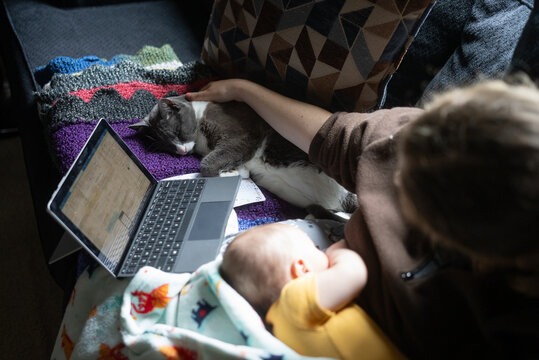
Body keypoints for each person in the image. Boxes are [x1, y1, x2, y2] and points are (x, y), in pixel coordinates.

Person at [187, 76, 539, 359]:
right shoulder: (416, 138)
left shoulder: (508, 321)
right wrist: (244, 91)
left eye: (410, 191)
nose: (394, 177)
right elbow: (332, 137)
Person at [220, 222, 404, 360]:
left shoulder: (277, 325)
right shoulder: (295, 299)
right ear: (302, 268)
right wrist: (338, 251)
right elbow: (354, 273)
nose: (322, 252)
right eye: (316, 249)